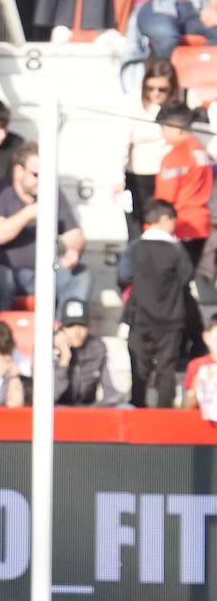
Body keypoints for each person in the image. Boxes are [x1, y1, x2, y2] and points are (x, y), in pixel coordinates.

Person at [0, 141, 90, 318]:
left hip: (45, 271)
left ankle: (67, 329)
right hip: (7, 269)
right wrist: (29, 213)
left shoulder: (52, 193)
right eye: (36, 174)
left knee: (80, 275)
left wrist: (73, 250)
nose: (42, 180)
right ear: (18, 171)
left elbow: (75, 234)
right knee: (1, 281)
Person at [120, 199, 194, 408]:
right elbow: (187, 276)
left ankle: (138, 407)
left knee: (139, 367)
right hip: (171, 318)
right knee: (166, 367)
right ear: (164, 219)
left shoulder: (135, 247)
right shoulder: (176, 250)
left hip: (140, 317)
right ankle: (164, 412)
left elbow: (124, 275)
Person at [117, 58, 182, 239]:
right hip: (138, 176)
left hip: (168, 175)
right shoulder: (133, 101)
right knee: (138, 229)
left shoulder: (178, 105)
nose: (155, 94)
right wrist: (117, 177)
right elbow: (121, 141)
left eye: (162, 89)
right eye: (150, 88)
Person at [154, 103, 212, 264]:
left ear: (176, 128)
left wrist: (154, 227)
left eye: (164, 128)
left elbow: (165, 199)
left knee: (174, 278)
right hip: (200, 225)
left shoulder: (175, 158)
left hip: (180, 226)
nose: (162, 134)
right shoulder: (200, 150)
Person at [54, 298, 126, 406]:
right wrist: (64, 358)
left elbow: (113, 394)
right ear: (61, 327)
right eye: (71, 325)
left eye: (82, 325)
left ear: (89, 327)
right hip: (56, 412)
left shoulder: (97, 348)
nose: (77, 331)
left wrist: (96, 409)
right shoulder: (46, 349)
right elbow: (47, 399)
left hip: (87, 410)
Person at [183, 314, 217, 419]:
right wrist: (195, 388)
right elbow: (188, 406)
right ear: (206, 337)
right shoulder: (197, 366)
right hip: (203, 422)